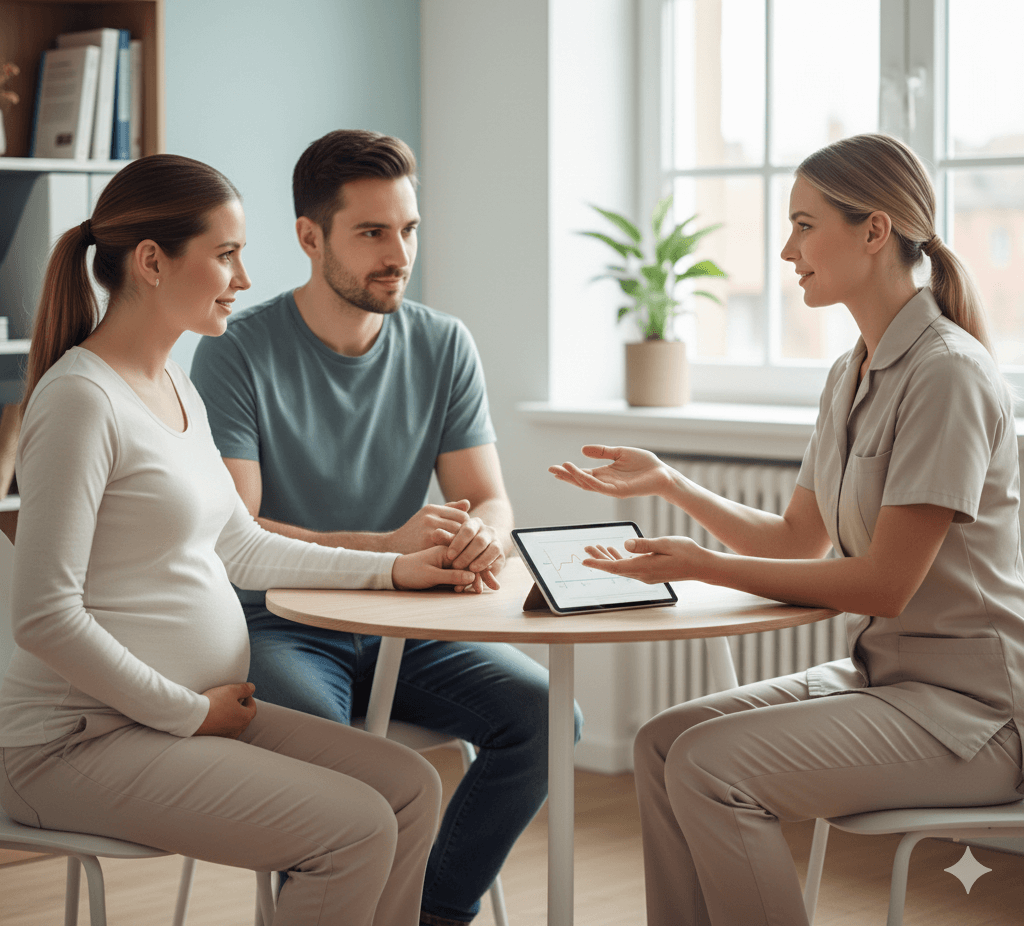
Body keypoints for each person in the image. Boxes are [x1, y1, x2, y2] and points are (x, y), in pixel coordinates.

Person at [0, 153, 498, 926]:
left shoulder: (175, 387)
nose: (243, 276)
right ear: (154, 262)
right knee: (357, 828)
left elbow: (243, 547)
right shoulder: (79, 401)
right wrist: (186, 714)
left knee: (410, 789)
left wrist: (396, 569)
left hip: (182, 714)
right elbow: (43, 616)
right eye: (226, 254)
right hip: (78, 741)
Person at [550, 134, 1024, 926]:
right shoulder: (852, 372)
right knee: (662, 743)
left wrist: (703, 566)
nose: (786, 249)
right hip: (886, 682)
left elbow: (882, 582)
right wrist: (670, 481)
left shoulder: (948, 372)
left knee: (708, 767)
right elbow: (798, 538)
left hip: (972, 718)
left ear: (875, 231)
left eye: (805, 225)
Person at [190, 129, 581, 926]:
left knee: (550, 718)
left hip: (414, 626)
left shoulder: (443, 343)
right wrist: (390, 551)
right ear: (310, 237)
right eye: (371, 232)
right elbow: (241, 528)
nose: (397, 253)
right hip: (283, 623)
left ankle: (431, 912)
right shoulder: (237, 352)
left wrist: (482, 539)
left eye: (407, 230)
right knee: (342, 768)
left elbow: (489, 498)